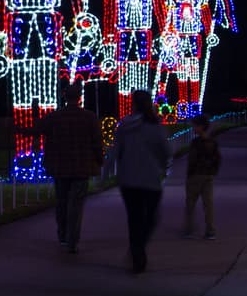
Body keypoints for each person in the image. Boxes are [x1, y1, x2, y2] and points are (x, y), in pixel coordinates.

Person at [111, 88, 171, 273]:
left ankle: (137, 250)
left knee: (134, 218)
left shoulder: (124, 126)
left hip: (128, 180)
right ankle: (138, 249)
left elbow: (116, 152)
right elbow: (165, 151)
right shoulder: (156, 126)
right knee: (151, 218)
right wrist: (162, 166)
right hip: (150, 179)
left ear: (134, 104)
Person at [39, 82, 104, 254]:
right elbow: (97, 142)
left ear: (65, 97)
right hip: (81, 167)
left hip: (60, 166)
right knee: (76, 204)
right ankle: (72, 239)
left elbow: (39, 129)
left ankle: (62, 235)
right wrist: (100, 160)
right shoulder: (89, 117)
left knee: (62, 201)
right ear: (80, 98)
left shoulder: (55, 117)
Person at [181, 113, 220, 240]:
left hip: (196, 176)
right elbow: (218, 159)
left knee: (190, 204)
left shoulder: (196, 143)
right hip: (208, 176)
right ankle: (210, 230)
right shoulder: (213, 142)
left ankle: (189, 230)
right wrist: (213, 171)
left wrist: (189, 174)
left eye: (195, 126)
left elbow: (192, 160)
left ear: (201, 127)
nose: (193, 128)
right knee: (208, 204)